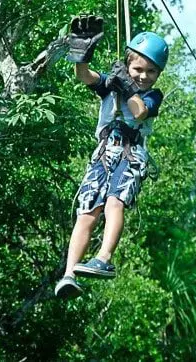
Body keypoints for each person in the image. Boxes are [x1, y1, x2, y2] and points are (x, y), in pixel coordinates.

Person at [55, 15, 168, 299]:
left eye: (151, 72)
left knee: (114, 204)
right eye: (138, 69)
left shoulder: (153, 95)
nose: (143, 76)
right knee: (87, 212)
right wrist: (82, 55)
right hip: (105, 152)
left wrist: (126, 84)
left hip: (131, 154)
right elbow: (85, 77)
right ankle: (69, 274)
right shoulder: (112, 83)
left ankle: (104, 258)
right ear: (128, 64)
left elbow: (139, 111)